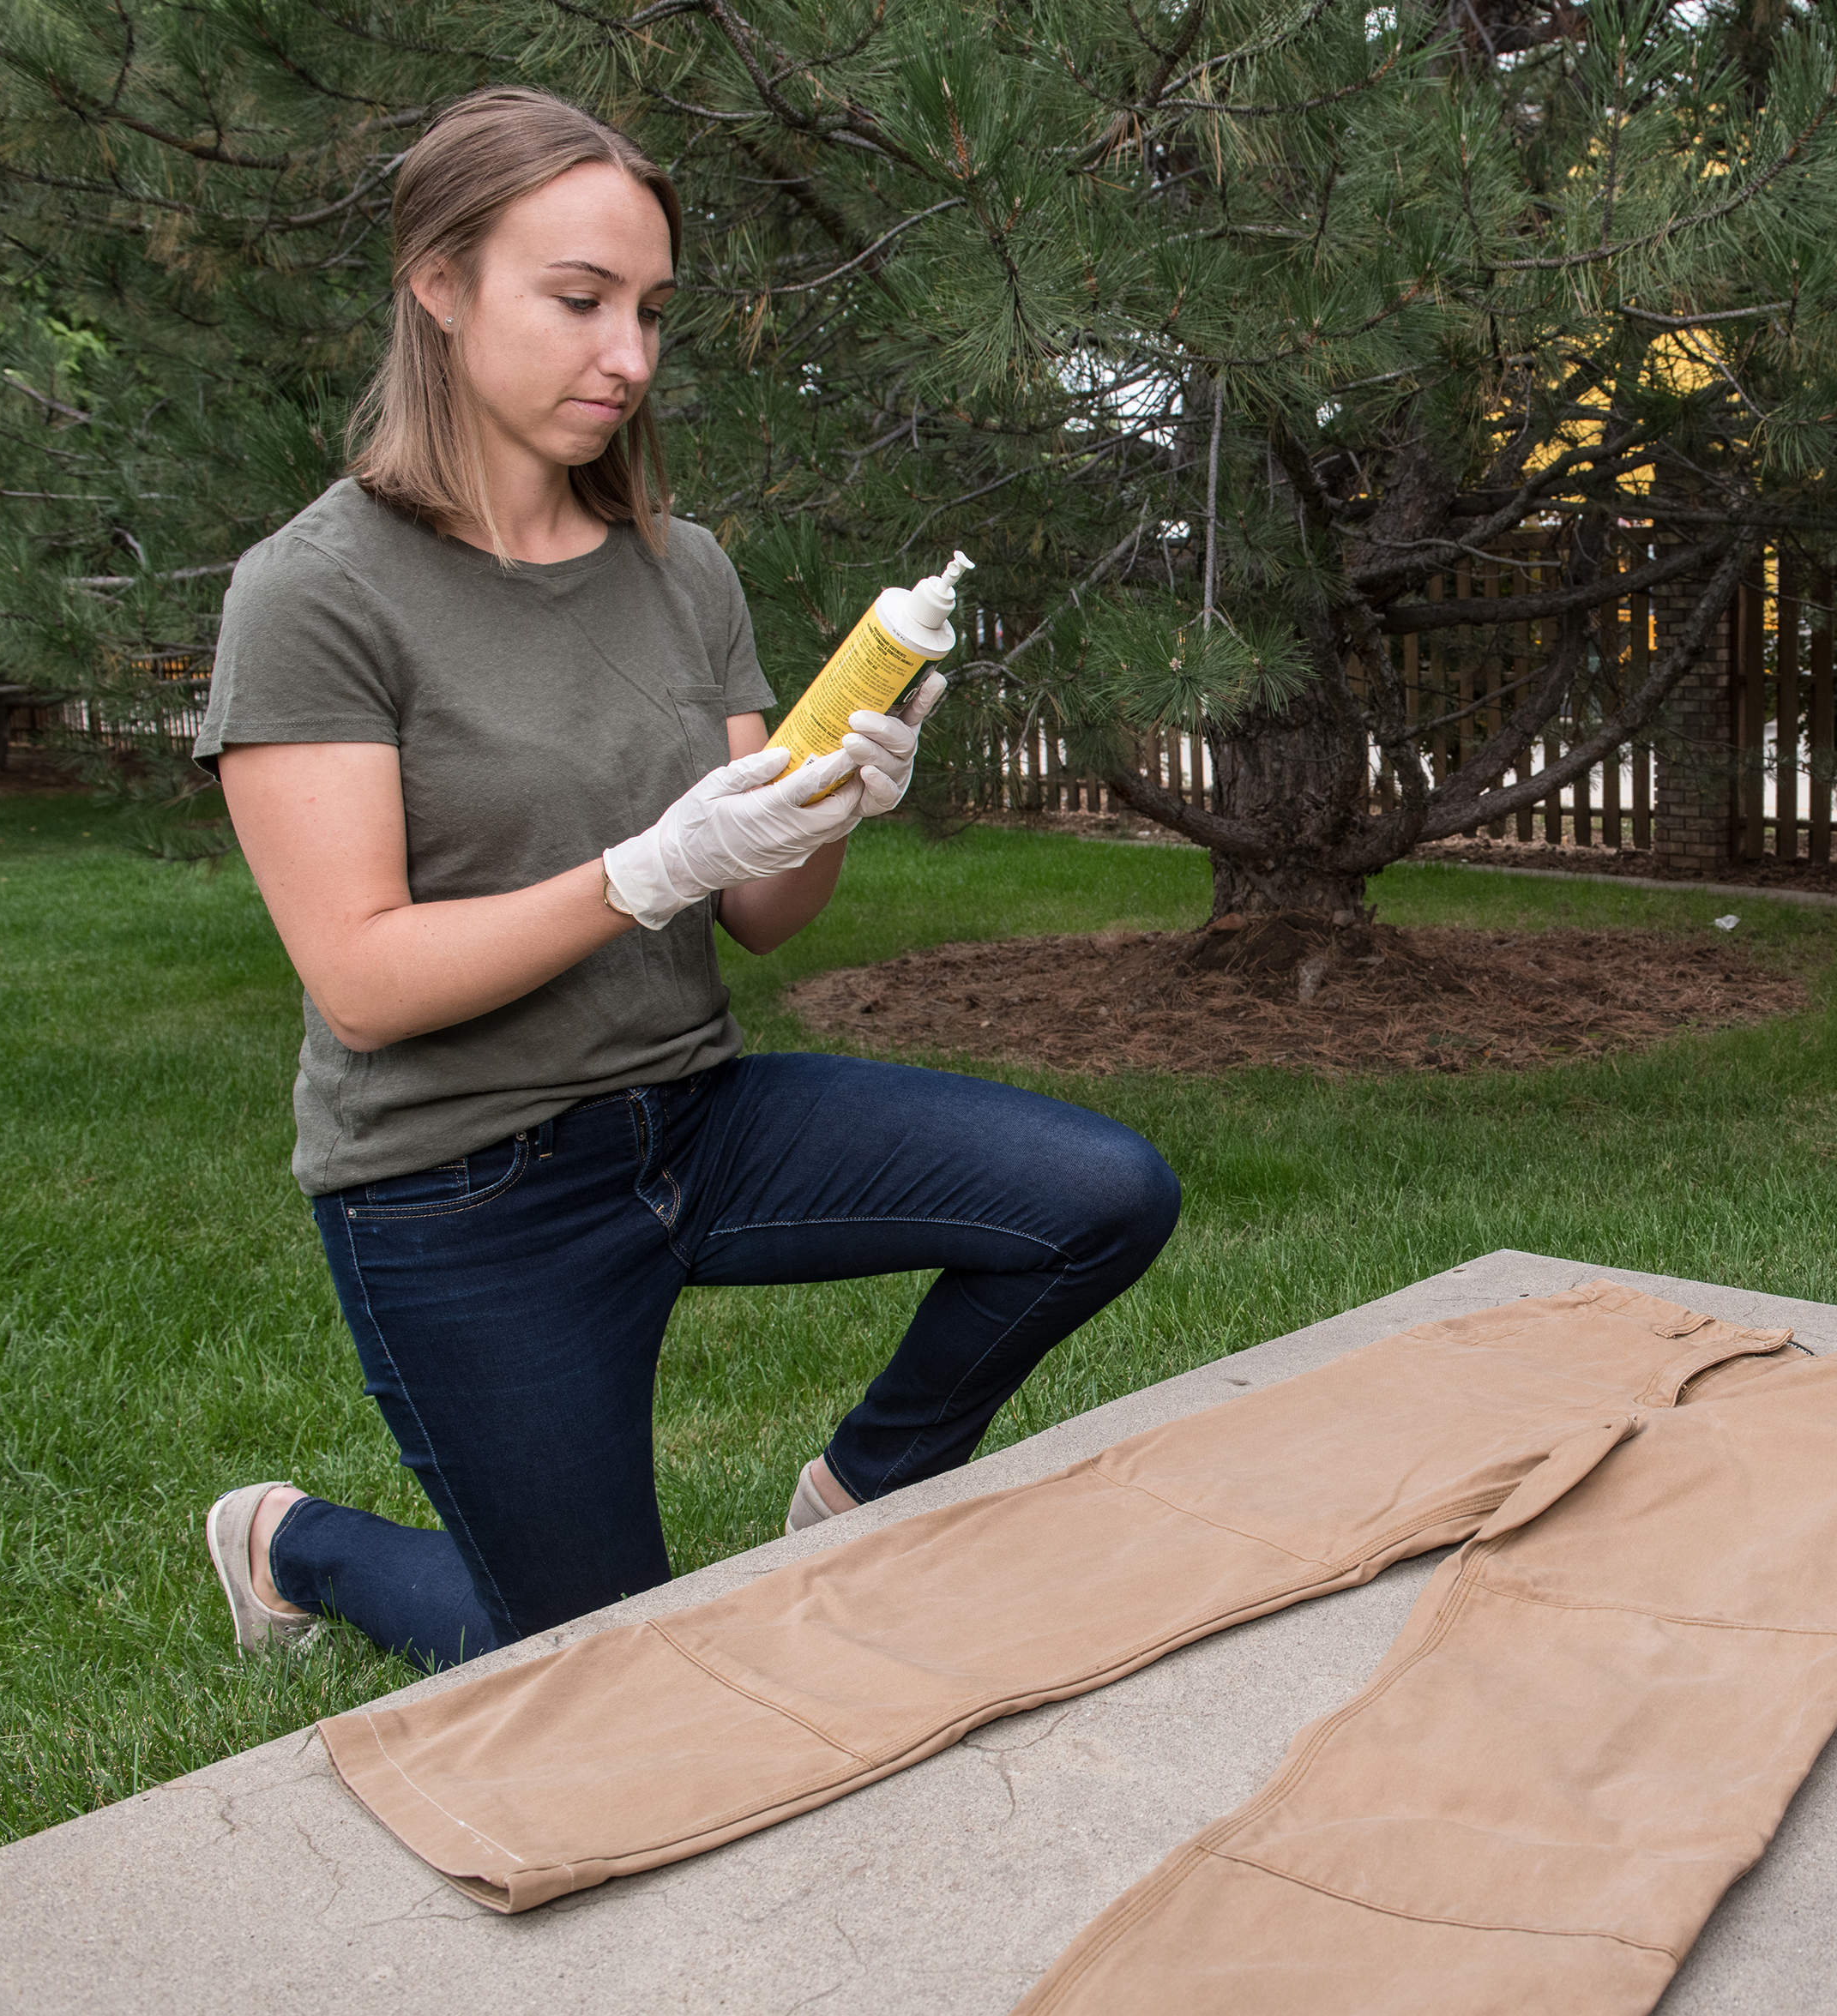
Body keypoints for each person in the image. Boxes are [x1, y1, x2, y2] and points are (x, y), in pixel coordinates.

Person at [194, 87, 1181, 1672]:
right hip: (465, 1191)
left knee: (1100, 1196)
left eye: (651, 311)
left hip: (695, 1120)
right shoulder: (312, 595)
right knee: (611, 1671)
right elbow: (364, 982)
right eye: (580, 303)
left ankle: (866, 1488)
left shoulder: (680, 565)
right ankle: (291, 1541)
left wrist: (831, 803)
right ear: (438, 286)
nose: (631, 358)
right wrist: (646, 867)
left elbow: (765, 916)